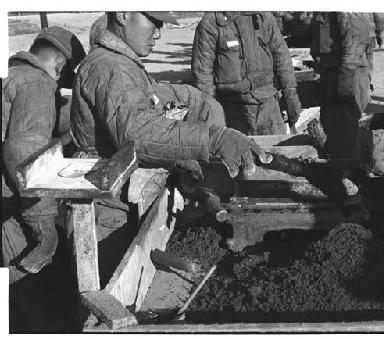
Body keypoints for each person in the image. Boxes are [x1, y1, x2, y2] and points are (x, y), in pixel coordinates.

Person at [71, 12, 271, 281]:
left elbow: (150, 103)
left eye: (162, 25)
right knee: (118, 284)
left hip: (119, 197)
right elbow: (136, 133)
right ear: (122, 14)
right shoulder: (110, 67)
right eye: (153, 23)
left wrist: (189, 102)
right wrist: (211, 138)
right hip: (110, 209)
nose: (158, 34)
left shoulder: (122, 64)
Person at [2, 27, 85, 283]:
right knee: (36, 294)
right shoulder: (37, 84)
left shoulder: (14, 76)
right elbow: (25, 153)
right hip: (8, 207)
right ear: (59, 66)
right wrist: (44, 227)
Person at [191, 11, 302, 135]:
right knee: (241, 152)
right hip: (233, 110)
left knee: (277, 149)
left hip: (269, 106)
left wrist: (290, 95)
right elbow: (202, 73)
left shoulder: (264, 17)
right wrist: (211, 113)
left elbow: (281, 57)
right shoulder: (211, 23)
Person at [310, 12, 372, 160]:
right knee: (333, 130)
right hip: (331, 71)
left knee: (347, 132)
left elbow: (356, 33)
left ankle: (351, 174)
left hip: (346, 72)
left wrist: (346, 73)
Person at [363, 13, 384, 92]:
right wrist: (379, 35)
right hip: (368, 35)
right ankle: (367, 84)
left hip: (350, 34)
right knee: (368, 62)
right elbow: (379, 17)